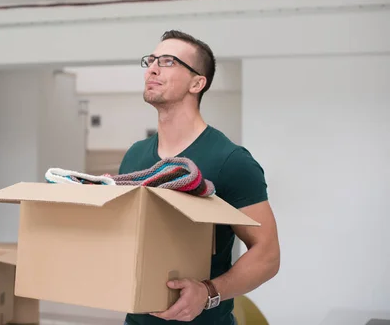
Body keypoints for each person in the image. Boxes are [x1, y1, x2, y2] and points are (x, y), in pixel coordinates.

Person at [119, 30, 280, 325]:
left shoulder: (230, 160)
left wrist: (209, 292)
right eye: (152, 60)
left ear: (197, 82)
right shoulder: (135, 156)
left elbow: (267, 255)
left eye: (168, 61)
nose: (153, 68)